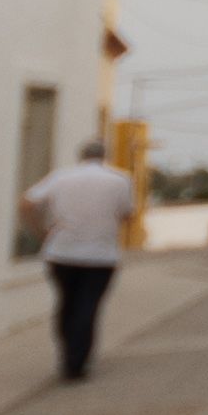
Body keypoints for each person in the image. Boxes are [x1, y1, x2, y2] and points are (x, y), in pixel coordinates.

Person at [20, 135, 136, 382]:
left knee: (66, 303)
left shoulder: (61, 177)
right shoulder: (120, 180)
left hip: (61, 252)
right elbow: (127, 215)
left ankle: (67, 354)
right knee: (88, 306)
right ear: (104, 156)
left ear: (80, 156)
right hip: (101, 255)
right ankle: (76, 362)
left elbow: (27, 203)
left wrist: (42, 232)